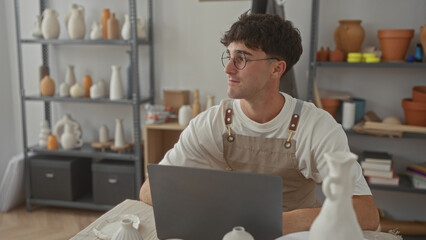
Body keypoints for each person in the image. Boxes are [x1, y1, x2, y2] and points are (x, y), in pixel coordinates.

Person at [140, 12, 380, 235]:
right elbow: (149, 190)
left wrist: (284, 222)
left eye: (242, 58)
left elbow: (367, 213)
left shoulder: (317, 126)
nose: (228, 68)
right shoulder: (212, 121)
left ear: (277, 68)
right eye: (229, 56)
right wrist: (209, 212)